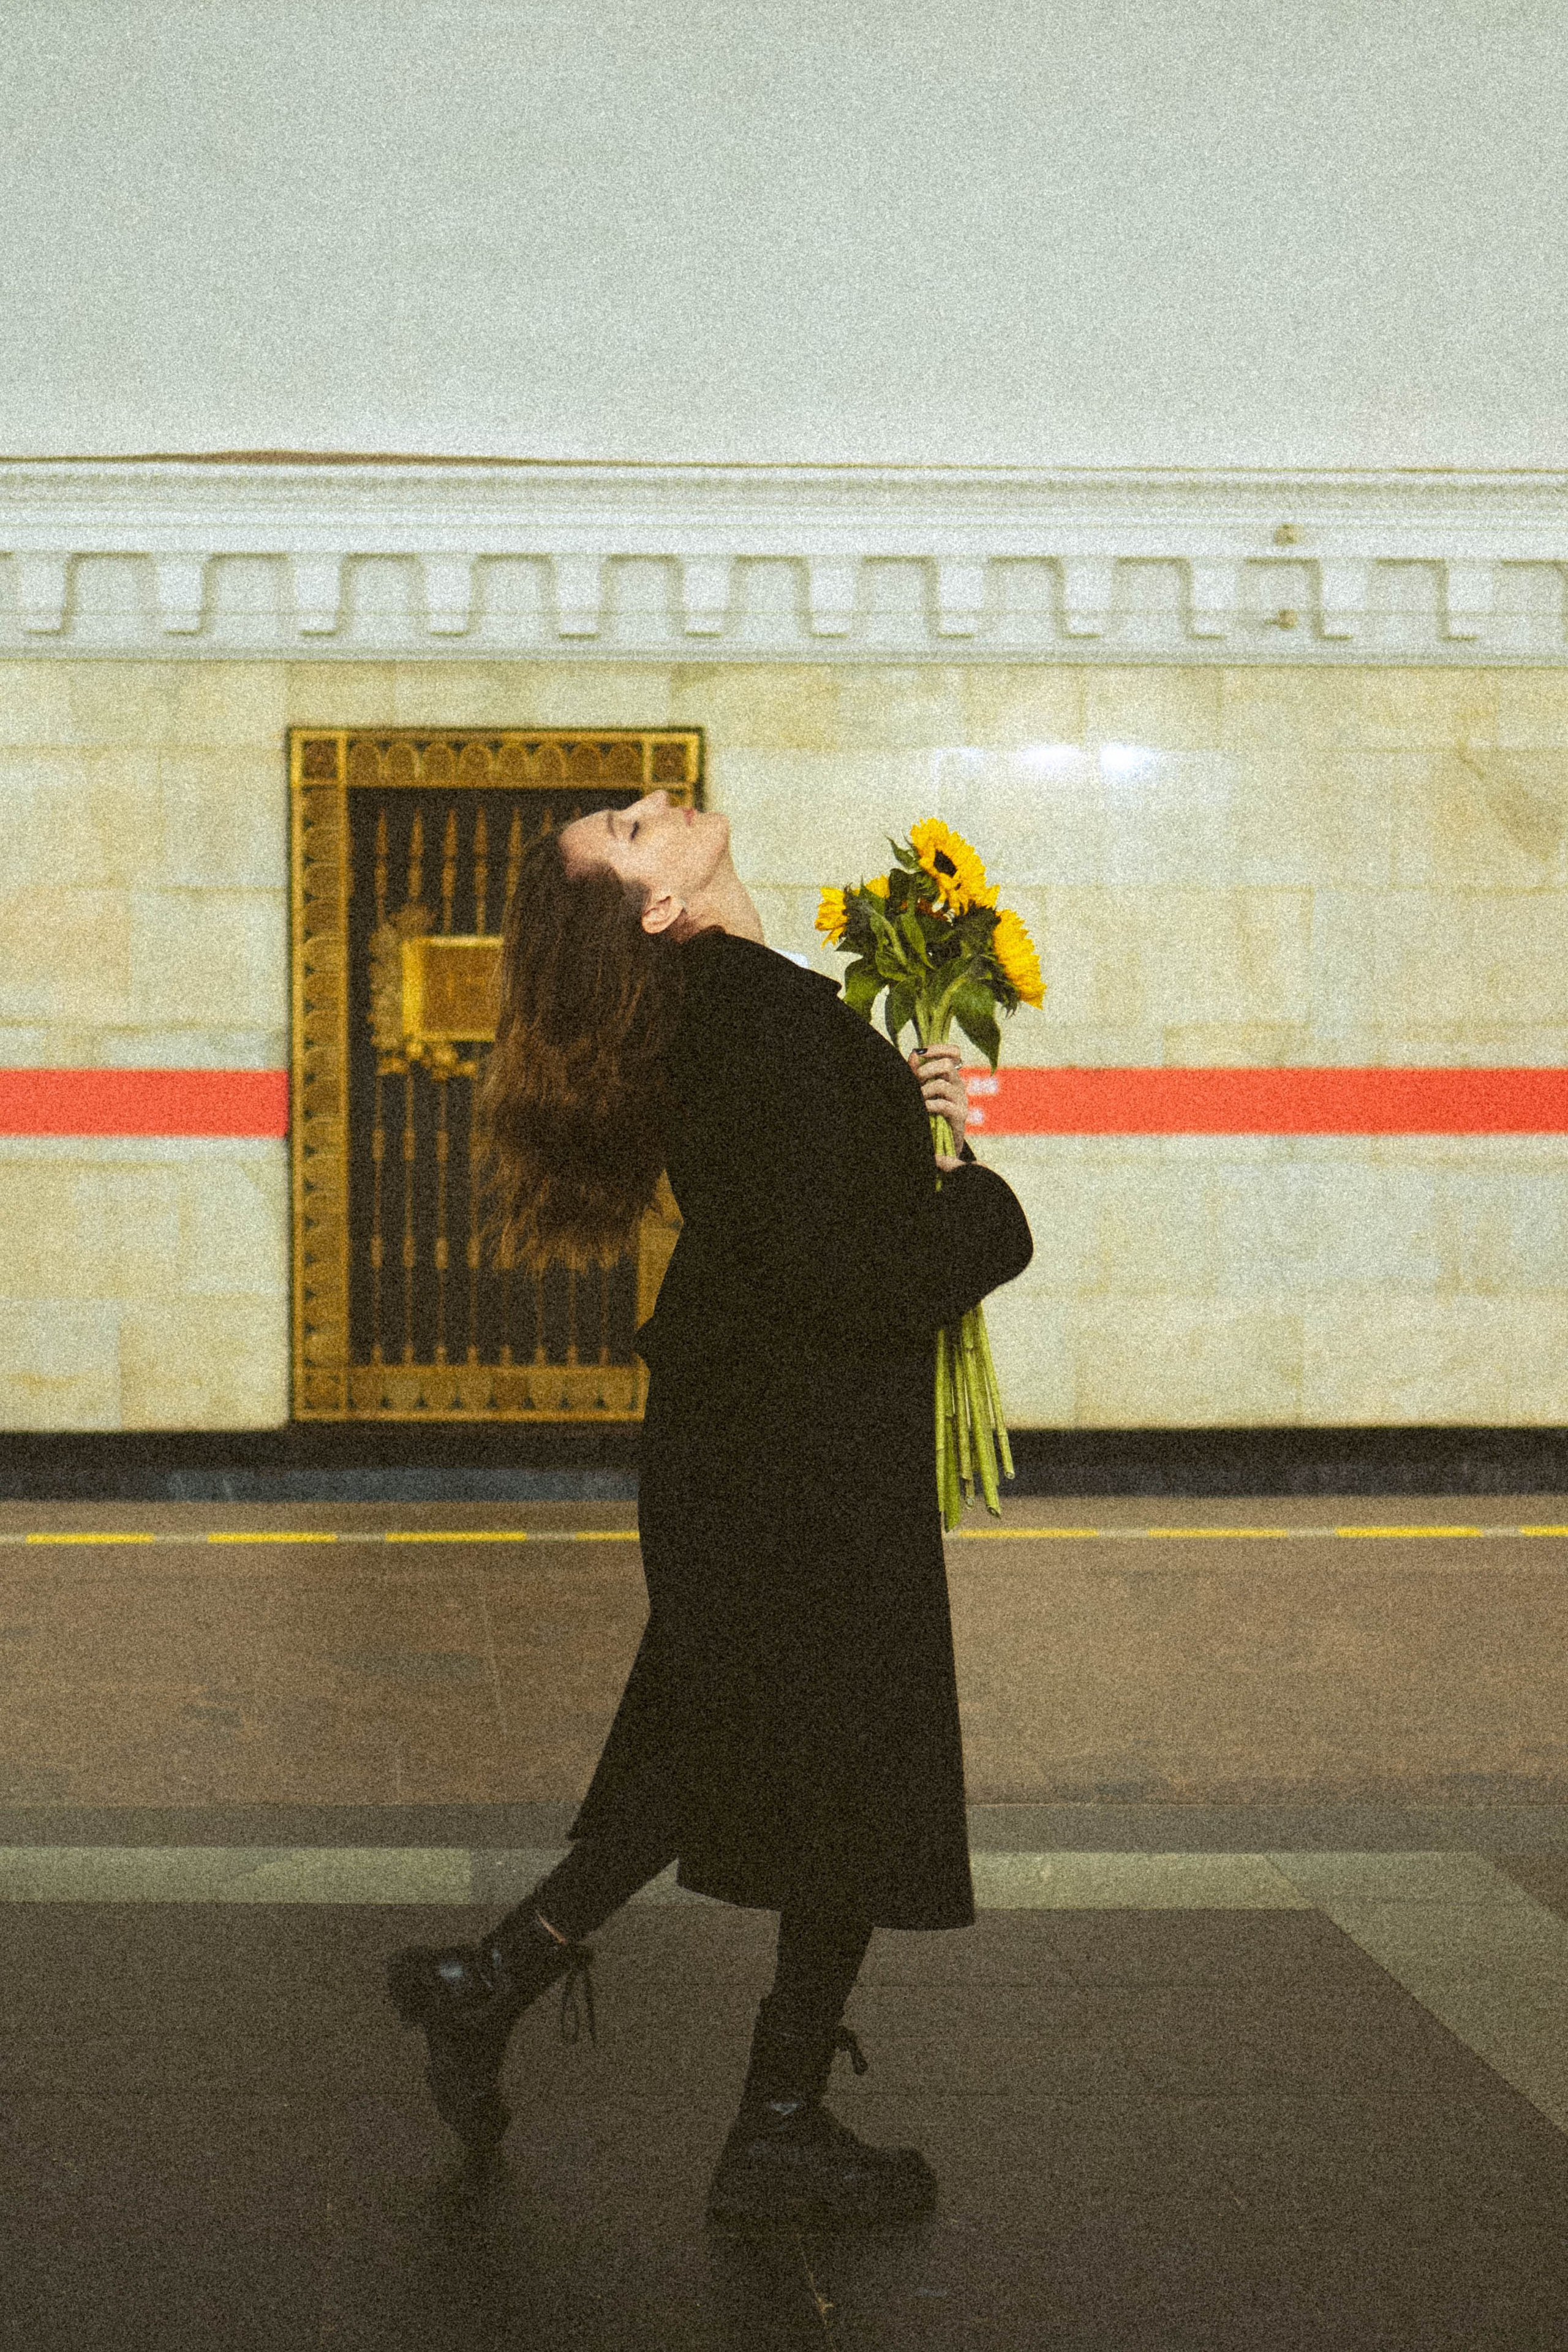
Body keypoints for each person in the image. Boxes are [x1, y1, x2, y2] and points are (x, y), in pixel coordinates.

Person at [386, 788, 1034, 2231]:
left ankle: (499, 1990)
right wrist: (986, 1215)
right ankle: (770, 2121)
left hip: (766, 1442)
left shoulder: (750, 1008)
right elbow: (856, 1279)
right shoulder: (742, 1025)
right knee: (828, 1755)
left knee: (721, 1738)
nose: (650, 806)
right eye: (626, 830)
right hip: (790, 1456)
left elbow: (816, 1220)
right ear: (659, 909)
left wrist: (902, 1127)